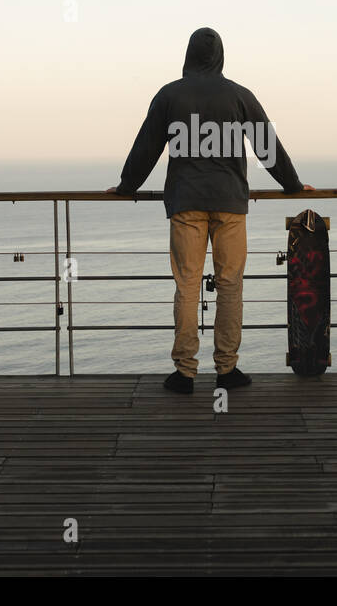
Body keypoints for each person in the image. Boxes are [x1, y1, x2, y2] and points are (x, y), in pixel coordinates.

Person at [106, 27, 312, 394]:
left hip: (186, 203)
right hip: (230, 203)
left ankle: (185, 373)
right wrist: (293, 186)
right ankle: (227, 369)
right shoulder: (239, 95)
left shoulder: (169, 95)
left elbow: (146, 148)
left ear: (188, 54)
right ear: (221, 55)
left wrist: (126, 187)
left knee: (187, 285)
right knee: (230, 285)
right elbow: (268, 148)